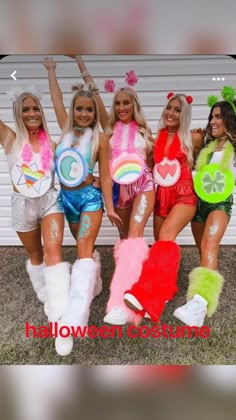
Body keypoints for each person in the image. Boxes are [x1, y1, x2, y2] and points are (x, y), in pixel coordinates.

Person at [42, 58, 122, 355]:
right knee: (80, 247)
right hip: (66, 199)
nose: (85, 113)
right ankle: (96, 280)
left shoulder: (100, 138)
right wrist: (51, 71)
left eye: (89, 109)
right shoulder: (65, 129)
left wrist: (110, 207)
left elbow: (105, 174)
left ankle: (72, 321)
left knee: (84, 248)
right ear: (73, 110)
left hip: (89, 199)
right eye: (80, 108)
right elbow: (55, 98)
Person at [74, 55, 156, 326]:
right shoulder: (109, 129)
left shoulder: (145, 132)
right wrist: (79, 62)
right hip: (120, 189)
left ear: (134, 105)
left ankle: (122, 301)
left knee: (134, 237)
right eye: (118, 103)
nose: (121, 107)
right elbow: (95, 92)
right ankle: (138, 280)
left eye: (126, 103)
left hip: (143, 186)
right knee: (124, 240)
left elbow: (154, 165)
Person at [123, 92, 199, 323]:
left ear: (183, 114)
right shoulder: (157, 139)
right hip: (161, 196)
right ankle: (166, 290)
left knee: (166, 234)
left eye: (177, 110)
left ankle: (145, 291)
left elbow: (219, 146)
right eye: (169, 108)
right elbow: (142, 166)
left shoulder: (193, 137)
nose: (171, 113)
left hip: (184, 195)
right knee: (162, 244)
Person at [0, 87, 70, 327]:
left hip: (50, 202)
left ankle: (60, 316)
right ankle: (46, 294)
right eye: (25, 109)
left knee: (53, 252)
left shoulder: (51, 142)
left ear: (41, 111)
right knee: (36, 255)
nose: (31, 113)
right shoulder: (11, 139)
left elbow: (73, 162)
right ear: (18, 113)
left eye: (35, 109)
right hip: (22, 205)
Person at [173, 88, 236, 327]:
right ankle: (203, 295)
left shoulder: (235, 148)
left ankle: (198, 305)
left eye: (219, 116)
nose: (213, 121)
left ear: (229, 119)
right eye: (212, 116)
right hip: (198, 203)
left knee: (210, 244)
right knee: (204, 249)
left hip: (220, 203)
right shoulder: (206, 148)